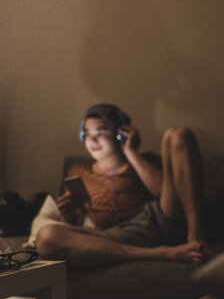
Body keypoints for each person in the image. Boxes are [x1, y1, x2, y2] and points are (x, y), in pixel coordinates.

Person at [35, 104, 212, 266]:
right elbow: (75, 225)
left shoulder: (144, 161)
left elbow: (164, 193)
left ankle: (196, 240)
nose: (92, 140)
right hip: (113, 236)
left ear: (120, 134)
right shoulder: (78, 171)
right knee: (46, 237)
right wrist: (69, 214)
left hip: (157, 220)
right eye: (87, 134)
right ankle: (160, 254)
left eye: (101, 132)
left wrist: (130, 152)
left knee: (178, 135)